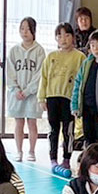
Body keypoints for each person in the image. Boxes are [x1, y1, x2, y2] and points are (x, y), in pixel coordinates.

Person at [39, 23, 84, 169]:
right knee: (53, 129)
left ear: (72, 37)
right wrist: (41, 98)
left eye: (67, 35)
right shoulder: (51, 56)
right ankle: (53, 158)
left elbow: (82, 81)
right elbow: (44, 77)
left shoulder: (79, 57)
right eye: (59, 36)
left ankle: (66, 158)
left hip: (69, 99)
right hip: (52, 97)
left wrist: (78, 101)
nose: (63, 39)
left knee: (68, 130)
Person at [6, 17, 45, 162]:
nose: (25, 32)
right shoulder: (14, 50)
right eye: (22, 28)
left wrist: (28, 90)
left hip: (33, 94)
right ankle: (18, 151)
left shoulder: (39, 50)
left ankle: (32, 151)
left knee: (32, 123)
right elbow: (10, 72)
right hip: (16, 94)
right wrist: (16, 89)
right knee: (19, 123)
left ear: (34, 31)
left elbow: (40, 74)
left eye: (28, 29)